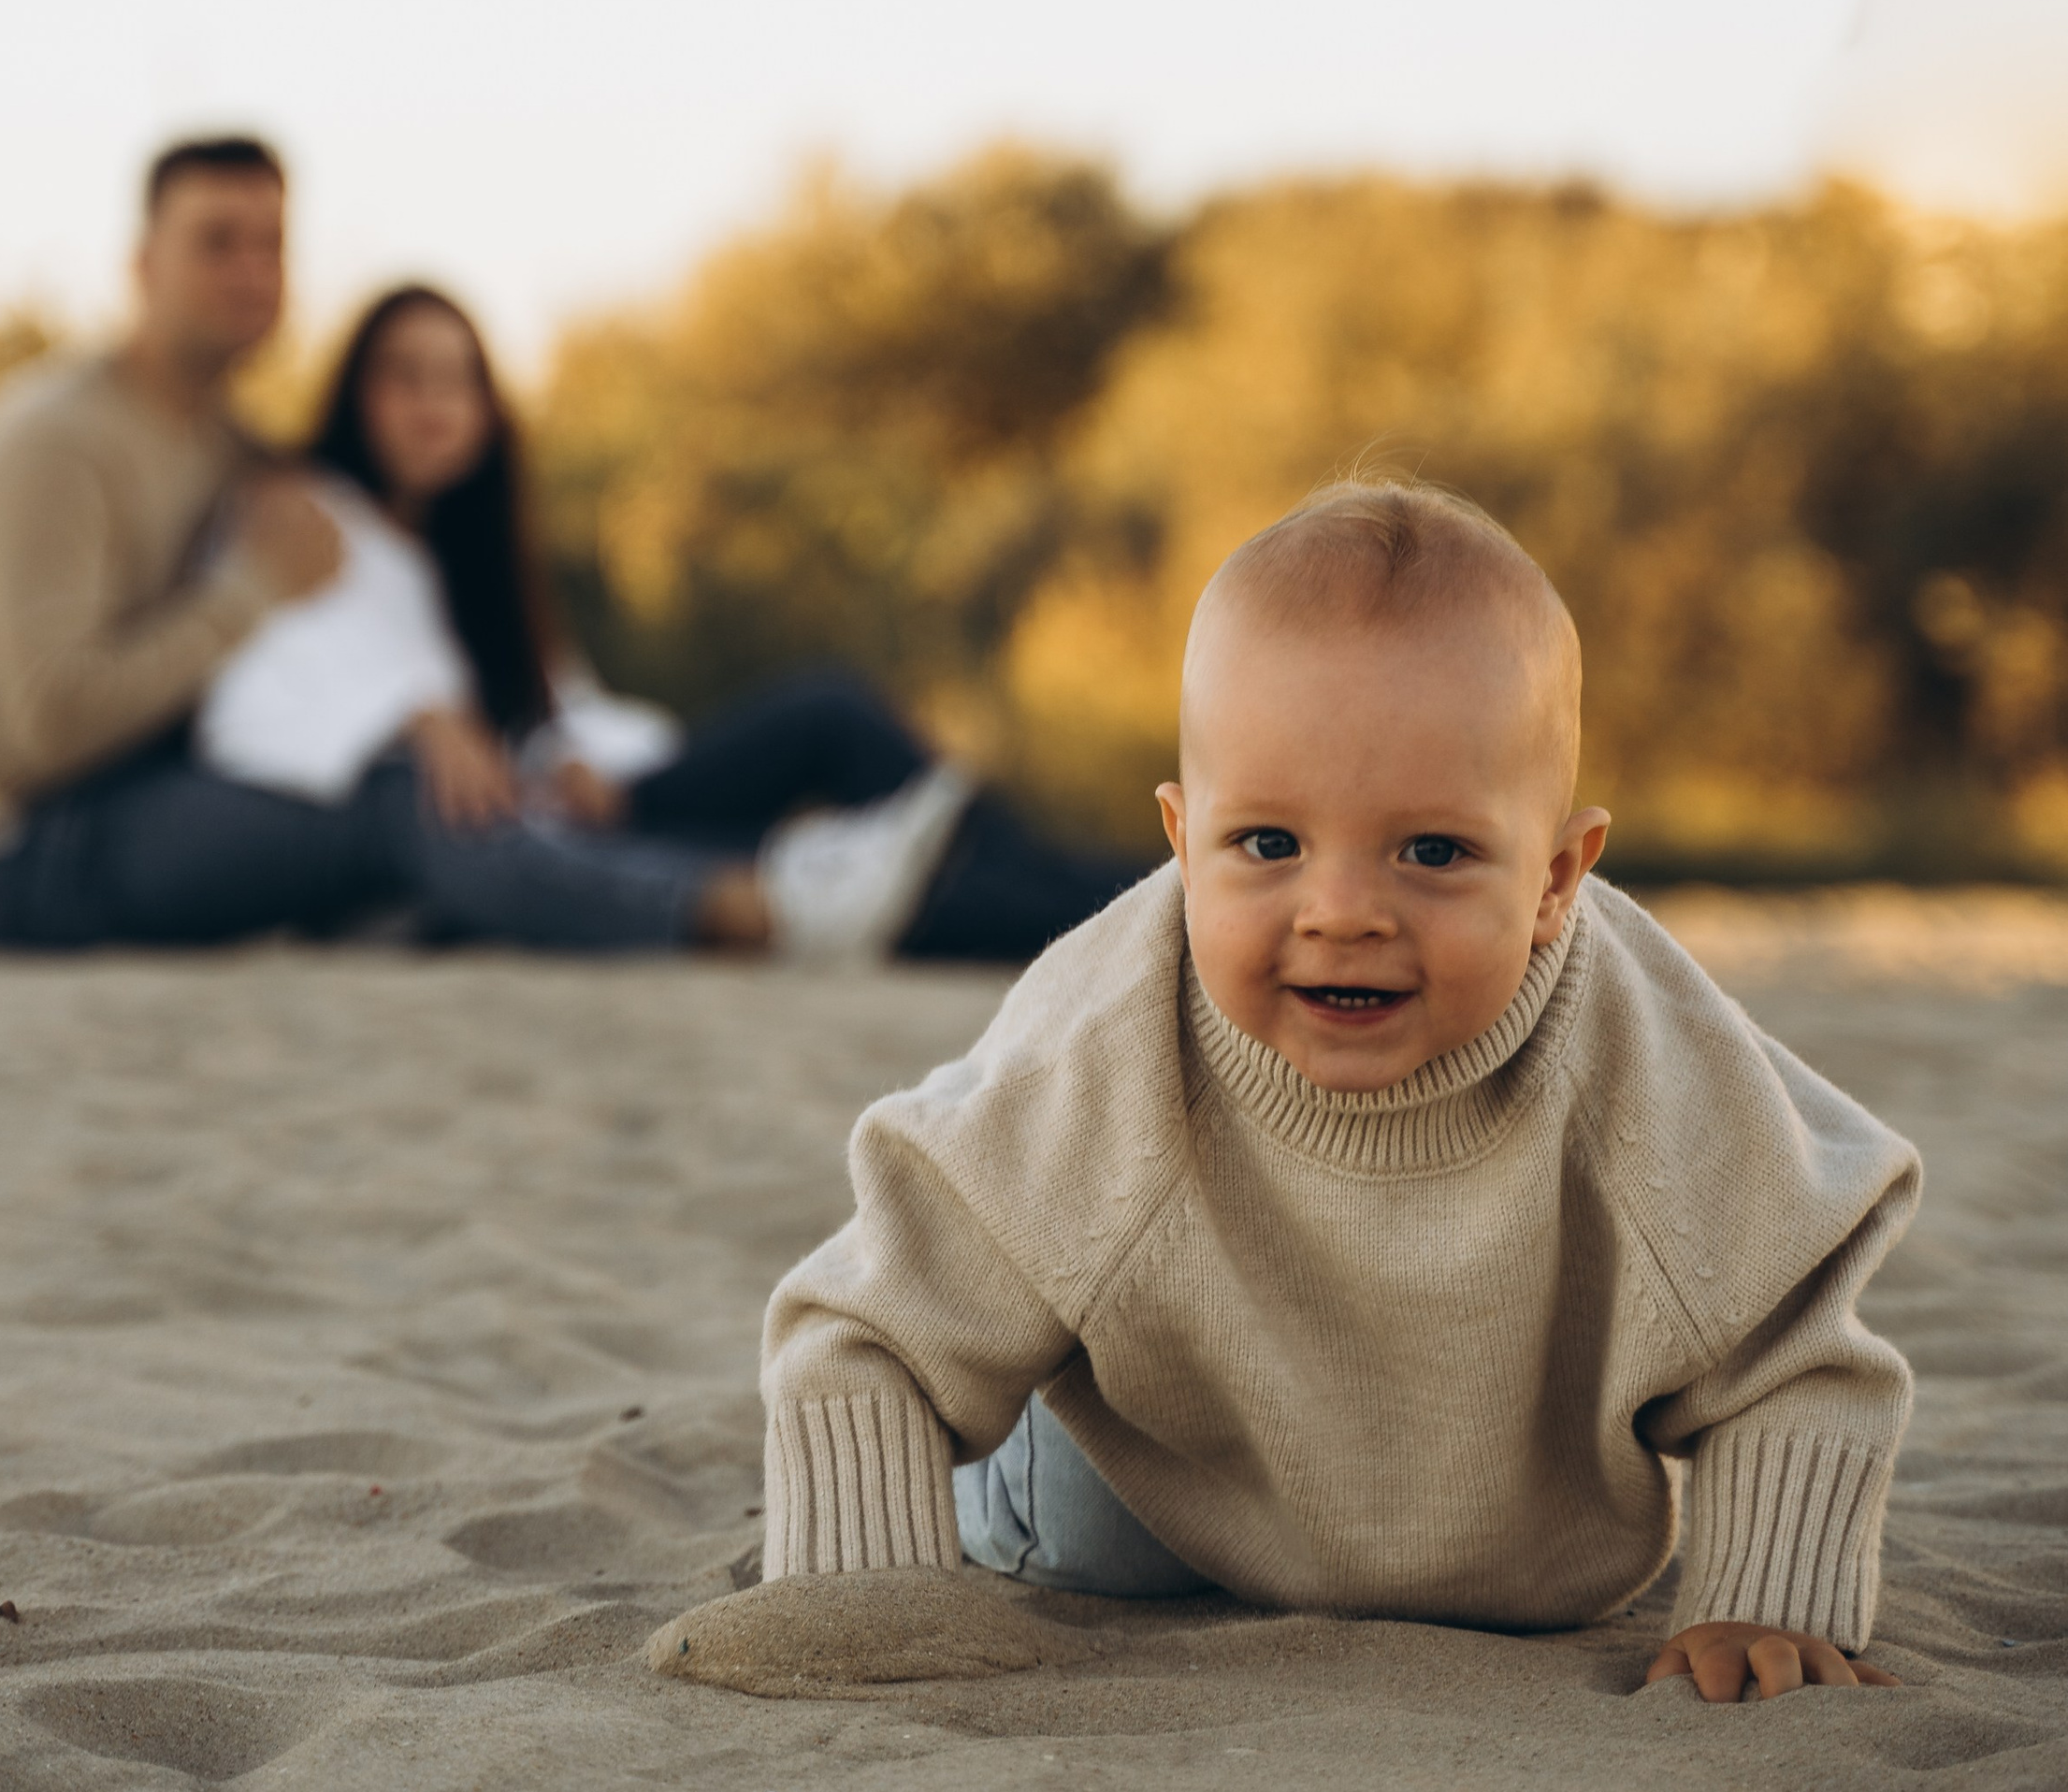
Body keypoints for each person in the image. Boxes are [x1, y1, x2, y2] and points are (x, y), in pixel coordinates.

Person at [758, 483, 1921, 1705]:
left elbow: (1795, 1348)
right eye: (1267, 844)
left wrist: (1763, 1606)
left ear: (1556, 878)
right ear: (1181, 838)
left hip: (1521, 1540)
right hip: (1157, 1486)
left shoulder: (1647, 1070)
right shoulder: (1111, 1044)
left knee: (1578, 1541)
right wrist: (858, 1600)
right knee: (1061, 1519)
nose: (1343, 913)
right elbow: (870, 1327)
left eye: (1432, 852)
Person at [0, 138, 764, 953]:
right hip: (34, 849)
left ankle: (778, 873)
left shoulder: (239, 454)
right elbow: (45, 732)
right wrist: (249, 596)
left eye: (271, 246)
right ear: (142, 264)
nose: (251, 272)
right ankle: (732, 914)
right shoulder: (55, 443)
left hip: (178, 797)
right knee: (407, 802)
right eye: (216, 243)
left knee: (459, 787)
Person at [195, 280, 1148, 964]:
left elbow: (563, 706)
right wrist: (416, 716)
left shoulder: (472, 554)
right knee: (870, 874)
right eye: (405, 377)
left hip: (591, 800)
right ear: (354, 392)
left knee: (830, 717)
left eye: (458, 380)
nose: (435, 404)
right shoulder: (309, 522)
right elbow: (269, 698)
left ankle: (1138, 899)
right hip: (520, 846)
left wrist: (591, 763)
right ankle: (1140, 917)